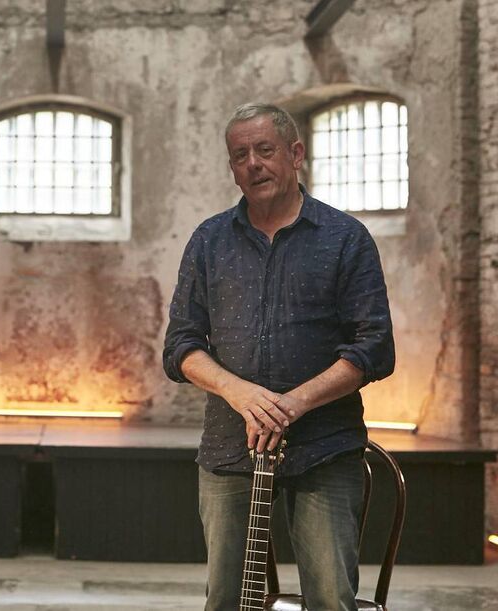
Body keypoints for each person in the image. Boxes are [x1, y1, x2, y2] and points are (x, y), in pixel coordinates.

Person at [162, 103, 394, 611]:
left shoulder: (344, 238)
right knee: (225, 600)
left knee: (332, 599)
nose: (253, 164)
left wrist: (294, 403)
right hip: (230, 446)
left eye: (265, 150)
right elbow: (180, 346)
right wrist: (239, 392)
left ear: (295, 154)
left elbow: (374, 346)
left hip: (325, 448)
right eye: (240, 155)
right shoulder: (208, 240)